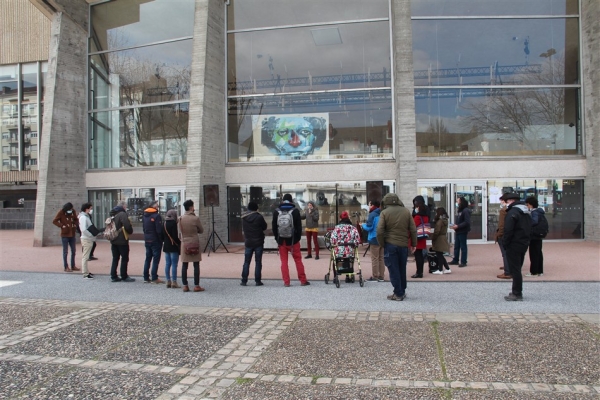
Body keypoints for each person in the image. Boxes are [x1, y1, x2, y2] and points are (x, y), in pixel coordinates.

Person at [376, 193, 417, 301]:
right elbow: (413, 229)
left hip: (390, 245)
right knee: (401, 268)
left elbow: (379, 231)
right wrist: (414, 244)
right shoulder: (406, 211)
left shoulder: (384, 213)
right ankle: (401, 291)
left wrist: (382, 244)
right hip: (403, 245)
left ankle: (398, 294)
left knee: (393, 269)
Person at [272, 193, 310, 287]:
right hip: (293, 241)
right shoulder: (295, 211)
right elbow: (299, 227)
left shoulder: (277, 211)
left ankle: (286, 282)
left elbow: (274, 227)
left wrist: (277, 238)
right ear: (291, 201)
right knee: (298, 260)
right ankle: (303, 280)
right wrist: (297, 238)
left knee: (284, 262)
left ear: (283, 200)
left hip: (282, 241)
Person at [502, 192, 531, 301]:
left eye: (506, 201)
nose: (505, 204)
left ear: (510, 201)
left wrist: (505, 243)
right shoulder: (525, 211)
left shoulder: (513, 212)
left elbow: (508, 230)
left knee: (515, 269)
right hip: (523, 242)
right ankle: (517, 291)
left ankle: (517, 293)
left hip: (514, 243)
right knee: (518, 267)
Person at [179, 199, 204, 292]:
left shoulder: (180, 218)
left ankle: (185, 285)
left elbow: (180, 231)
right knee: (196, 264)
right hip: (194, 242)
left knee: (184, 265)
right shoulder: (195, 218)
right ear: (191, 207)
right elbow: (201, 230)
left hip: (185, 243)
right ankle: (196, 285)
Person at [241, 201, 267, 286]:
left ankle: (244, 280)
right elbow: (264, 227)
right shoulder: (259, 217)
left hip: (248, 242)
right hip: (258, 241)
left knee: (246, 262)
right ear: (256, 208)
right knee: (258, 262)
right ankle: (257, 281)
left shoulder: (244, 217)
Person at [330, 211, 361, 283]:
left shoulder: (337, 228)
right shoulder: (353, 228)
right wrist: (355, 245)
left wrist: (334, 245)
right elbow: (357, 239)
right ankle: (348, 276)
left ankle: (335, 276)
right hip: (349, 250)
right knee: (349, 260)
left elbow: (333, 239)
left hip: (338, 251)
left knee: (336, 260)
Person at [109, 201, 135, 282]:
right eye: (125, 206)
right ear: (123, 206)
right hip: (122, 239)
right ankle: (124, 275)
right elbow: (127, 225)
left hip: (113, 239)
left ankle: (113, 275)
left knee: (115, 258)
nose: (126, 207)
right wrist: (130, 231)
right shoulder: (122, 214)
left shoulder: (112, 214)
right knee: (124, 258)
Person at [52, 202, 80, 272]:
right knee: (65, 251)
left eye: (71, 209)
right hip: (65, 234)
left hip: (72, 234)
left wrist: (75, 224)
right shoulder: (61, 212)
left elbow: (76, 219)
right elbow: (55, 221)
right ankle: (66, 267)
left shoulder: (73, 211)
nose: (71, 210)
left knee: (73, 250)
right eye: (69, 209)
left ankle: (73, 265)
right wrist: (62, 225)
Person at [362, 199, 384, 282]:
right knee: (381, 258)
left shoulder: (372, 214)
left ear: (373, 205)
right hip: (382, 238)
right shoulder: (382, 213)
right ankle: (381, 276)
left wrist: (363, 225)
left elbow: (369, 227)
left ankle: (375, 276)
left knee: (375, 258)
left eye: (369, 205)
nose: (368, 207)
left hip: (374, 238)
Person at [142, 200, 164, 284]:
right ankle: (154, 277)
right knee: (155, 259)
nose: (158, 207)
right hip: (155, 240)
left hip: (147, 239)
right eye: (157, 206)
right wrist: (161, 239)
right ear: (154, 207)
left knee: (148, 258)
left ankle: (146, 277)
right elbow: (158, 230)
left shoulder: (145, 215)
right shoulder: (156, 216)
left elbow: (144, 228)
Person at [525, 196, 545, 277]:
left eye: (527, 205)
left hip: (534, 235)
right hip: (539, 235)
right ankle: (540, 271)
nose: (527, 206)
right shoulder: (540, 212)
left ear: (530, 205)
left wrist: (527, 222)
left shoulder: (534, 212)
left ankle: (534, 271)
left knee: (533, 253)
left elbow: (534, 222)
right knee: (538, 253)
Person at [410, 195, 430, 278]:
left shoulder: (418, 216)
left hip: (417, 238)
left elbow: (412, 226)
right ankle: (420, 271)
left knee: (418, 256)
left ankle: (419, 272)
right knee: (420, 255)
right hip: (422, 237)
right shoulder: (426, 215)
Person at [450, 197, 471, 268]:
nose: (457, 203)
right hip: (458, 230)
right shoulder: (460, 210)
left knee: (463, 246)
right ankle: (455, 259)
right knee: (456, 246)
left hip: (462, 230)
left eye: (458, 201)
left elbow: (467, 222)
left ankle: (463, 261)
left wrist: (458, 226)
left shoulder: (465, 210)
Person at [78, 202, 97, 279]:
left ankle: (86, 271)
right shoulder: (83, 217)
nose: (91, 210)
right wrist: (91, 235)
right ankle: (85, 273)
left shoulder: (86, 216)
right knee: (85, 256)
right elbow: (83, 229)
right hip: (86, 239)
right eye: (90, 208)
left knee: (86, 256)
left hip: (88, 238)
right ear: (87, 209)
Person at [162, 209, 181, 289]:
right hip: (173, 246)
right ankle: (174, 281)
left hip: (166, 245)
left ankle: (168, 280)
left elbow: (162, 236)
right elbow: (175, 236)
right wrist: (179, 242)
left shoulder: (164, 223)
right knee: (174, 264)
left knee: (167, 264)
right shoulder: (173, 223)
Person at [430, 207, 451, 275]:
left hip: (439, 238)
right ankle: (447, 268)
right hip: (443, 237)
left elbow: (437, 231)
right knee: (440, 254)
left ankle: (440, 269)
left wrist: (433, 238)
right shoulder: (445, 220)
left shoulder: (439, 221)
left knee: (439, 255)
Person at [496, 195, 512, 280]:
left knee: (505, 254)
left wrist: (499, 234)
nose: (501, 203)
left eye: (501, 201)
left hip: (504, 235)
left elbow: (501, 224)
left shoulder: (503, 211)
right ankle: (508, 268)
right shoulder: (514, 210)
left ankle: (507, 271)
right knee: (508, 253)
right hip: (511, 234)